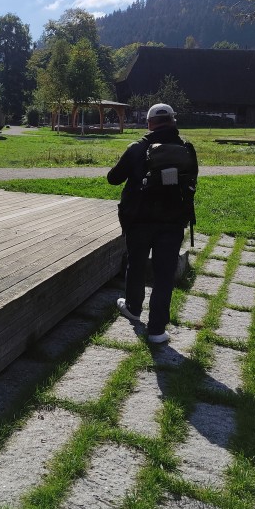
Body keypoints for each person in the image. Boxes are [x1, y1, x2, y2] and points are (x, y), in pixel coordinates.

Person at [107, 102, 198, 344]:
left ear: (149, 123)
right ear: (173, 121)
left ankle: (133, 308)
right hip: (173, 220)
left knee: (136, 264)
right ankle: (157, 330)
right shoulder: (187, 149)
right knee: (165, 273)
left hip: (139, 219)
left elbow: (113, 179)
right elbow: (192, 180)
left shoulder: (137, 148)